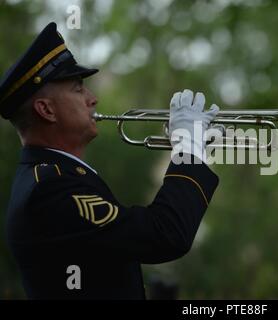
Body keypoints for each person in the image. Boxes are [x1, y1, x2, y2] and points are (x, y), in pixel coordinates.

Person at [0, 22, 220, 299]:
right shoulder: (49, 189)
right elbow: (165, 235)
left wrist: (193, 147)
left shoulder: (59, 176)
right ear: (46, 109)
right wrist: (189, 148)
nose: (93, 98)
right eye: (79, 89)